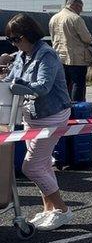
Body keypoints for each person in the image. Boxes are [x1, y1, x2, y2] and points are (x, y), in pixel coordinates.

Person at [1, 14, 74, 230]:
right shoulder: (22, 55)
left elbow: (42, 86)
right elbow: (9, 80)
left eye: (16, 39)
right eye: (10, 40)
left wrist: (17, 85)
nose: (14, 44)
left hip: (52, 115)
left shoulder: (47, 55)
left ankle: (62, 210)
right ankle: (48, 209)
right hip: (31, 115)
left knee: (31, 167)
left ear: (29, 35)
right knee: (42, 165)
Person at [48, 0, 92, 102]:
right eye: (80, 7)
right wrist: (91, 40)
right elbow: (87, 38)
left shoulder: (53, 18)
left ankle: (64, 107)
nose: (81, 11)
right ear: (75, 6)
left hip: (59, 57)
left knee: (64, 84)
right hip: (76, 58)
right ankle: (77, 108)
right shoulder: (75, 18)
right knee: (78, 83)